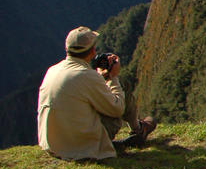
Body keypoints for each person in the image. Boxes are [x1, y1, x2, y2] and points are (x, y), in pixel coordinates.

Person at [37, 26, 156, 160]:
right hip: (80, 147)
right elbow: (117, 109)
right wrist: (113, 78)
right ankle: (139, 131)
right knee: (121, 89)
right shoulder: (86, 76)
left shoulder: (52, 70)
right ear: (92, 51)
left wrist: (102, 78)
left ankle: (138, 130)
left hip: (53, 144)